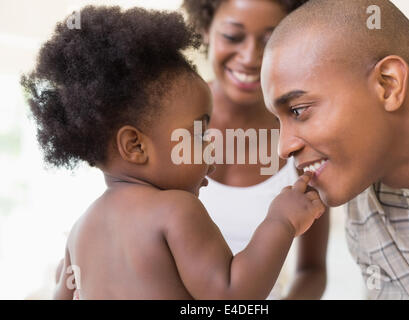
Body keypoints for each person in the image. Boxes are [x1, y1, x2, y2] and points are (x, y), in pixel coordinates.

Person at [21, 6, 325, 299]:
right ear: (136, 146)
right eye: (199, 134)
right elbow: (233, 294)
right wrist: (280, 221)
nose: (211, 150)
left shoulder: (80, 229)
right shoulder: (177, 210)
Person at [261, 0, 409, 299]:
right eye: (278, 121)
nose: (284, 148)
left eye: (298, 110)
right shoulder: (366, 217)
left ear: (387, 84)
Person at [183, 0, 329, 300]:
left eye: (271, 40)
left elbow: (312, 271)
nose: (250, 57)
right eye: (233, 37)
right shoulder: (167, 122)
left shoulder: (306, 139)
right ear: (205, 29)